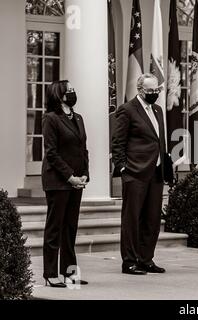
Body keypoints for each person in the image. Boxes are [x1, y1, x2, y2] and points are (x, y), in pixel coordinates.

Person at [112, 73, 167, 275]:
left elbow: (158, 140)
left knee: (152, 219)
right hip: (135, 172)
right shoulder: (127, 110)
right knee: (132, 219)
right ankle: (129, 261)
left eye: (157, 90)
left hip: (156, 172)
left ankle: (146, 259)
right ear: (140, 90)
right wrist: (123, 168)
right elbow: (117, 142)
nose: (154, 94)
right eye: (150, 91)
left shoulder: (158, 110)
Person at [41, 80, 89, 288]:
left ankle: (70, 273)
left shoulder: (78, 117)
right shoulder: (51, 118)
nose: (73, 92)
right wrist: (70, 176)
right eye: (69, 90)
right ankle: (50, 273)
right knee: (55, 229)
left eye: (73, 90)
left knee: (70, 229)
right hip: (58, 181)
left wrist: (85, 174)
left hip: (76, 181)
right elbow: (51, 152)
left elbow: (82, 149)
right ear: (59, 95)